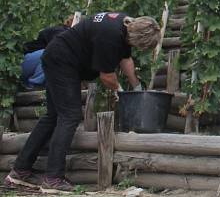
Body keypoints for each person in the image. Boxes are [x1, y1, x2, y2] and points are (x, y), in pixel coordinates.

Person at [4, 12, 160, 192]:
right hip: (62, 61)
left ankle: (20, 172)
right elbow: (107, 76)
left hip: (58, 57)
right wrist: (121, 92)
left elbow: (126, 59)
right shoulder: (110, 37)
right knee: (70, 116)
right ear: (137, 37)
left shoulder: (125, 24)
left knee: (53, 116)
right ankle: (53, 178)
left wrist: (138, 88)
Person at [20, 16, 72, 89]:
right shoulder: (60, 31)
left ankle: (35, 84)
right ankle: (34, 85)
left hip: (29, 68)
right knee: (53, 53)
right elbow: (56, 49)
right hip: (22, 65)